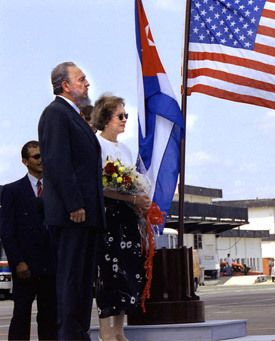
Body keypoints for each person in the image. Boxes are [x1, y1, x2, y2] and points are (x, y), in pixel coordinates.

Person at [38, 61, 106, 340]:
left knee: (82, 283)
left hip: (87, 215)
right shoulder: (55, 114)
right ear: (65, 85)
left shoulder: (75, 115)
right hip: (73, 215)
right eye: (81, 79)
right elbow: (57, 163)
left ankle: (79, 333)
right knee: (70, 280)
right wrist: (74, 203)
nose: (87, 83)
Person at [93, 94, 151, 341]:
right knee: (107, 271)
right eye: (120, 115)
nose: (125, 119)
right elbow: (99, 185)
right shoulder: (97, 146)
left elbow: (132, 182)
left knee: (127, 269)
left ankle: (119, 330)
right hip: (108, 217)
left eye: (126, 115)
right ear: (105, 118)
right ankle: (105, 331)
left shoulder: (125, 150)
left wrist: (141, 200)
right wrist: (131, 198)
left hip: (127, 218)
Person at [0, 141, 57, 340]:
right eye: (36, 157)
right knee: (21, 314)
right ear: (25, 161)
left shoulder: (56, 189)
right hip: (26, 266)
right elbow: (6, 231)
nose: (41, 160)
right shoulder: (12, 191)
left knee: (50, 316)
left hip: (51, 265)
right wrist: (18, 262)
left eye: (43, 155)